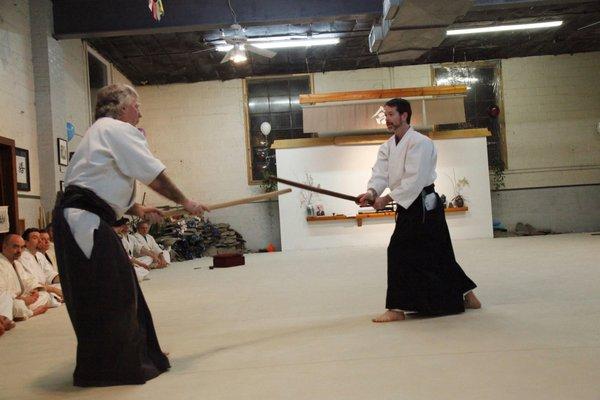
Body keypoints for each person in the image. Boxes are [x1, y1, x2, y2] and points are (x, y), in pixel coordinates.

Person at [52, 83, 209, 387]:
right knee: (109, 293)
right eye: (136, 105)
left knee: (122, 289)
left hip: (85, 217)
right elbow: (155, 177)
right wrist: (185, 202)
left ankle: (138, 355)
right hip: (82, 220)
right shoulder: (116, 129)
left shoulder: (100, 132)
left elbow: (105, 187)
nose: (140, 112)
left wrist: (139, 210)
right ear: (122, 107)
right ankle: (112, 368)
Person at [357, 98, 481, 323]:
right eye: (386, 115)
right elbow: (380, 174)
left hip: (423, 203)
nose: (387, 120)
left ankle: (396, 308)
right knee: (436, 252)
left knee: (398, 250)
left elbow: (413, 180)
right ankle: (468, 294)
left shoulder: (420, 143)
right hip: (409, 203)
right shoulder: (387, 147)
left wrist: (387, 198)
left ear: (404, 115)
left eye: (391, 115)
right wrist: (372, 193)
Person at [0, 234, 51, 320]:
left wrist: (34, 290)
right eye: (15, 247)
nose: (19, 251)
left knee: (44, 295)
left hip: (22, 300)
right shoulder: (1, 264)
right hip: (9, 301)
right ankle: (32, 312)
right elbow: (2, 293)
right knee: (17, 305)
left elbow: (27, 281)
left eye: (22, 247)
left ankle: (20, 313)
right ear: (4, 247)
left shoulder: (17, 264)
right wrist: (23, 299)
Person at [19, 229, 62, 304]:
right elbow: (32, 283)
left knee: (64, 286)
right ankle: (54, 298)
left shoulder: (39, 255)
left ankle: (55, 298)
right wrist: (54, 290)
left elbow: (51, 275)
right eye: (35, 238)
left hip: (46, 287)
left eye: (39, 238)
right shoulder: (23, 257)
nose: (39, 241)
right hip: (35, 290)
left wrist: (68, 279)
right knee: (44, 296)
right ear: (26, 242)